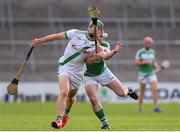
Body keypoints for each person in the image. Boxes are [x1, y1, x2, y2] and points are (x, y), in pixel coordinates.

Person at [31, 20, 122, 129]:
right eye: (92, 26)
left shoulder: (96, 46)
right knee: (64, 91)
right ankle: (59, 120)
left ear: (99, 32)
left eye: (96, 28)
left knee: (71, 96)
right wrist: (39, 41)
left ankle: (66, 114)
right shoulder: (75, 33)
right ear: (89, 27)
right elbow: (57, 36)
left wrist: (113, 52)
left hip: (78, 72)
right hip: (65, 66)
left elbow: (105, 56)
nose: (93, 28)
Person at [62, 20, 138, 130]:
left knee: (121, 93)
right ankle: (105, 123)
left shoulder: (104, 44)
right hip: (89, 75)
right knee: (93, 99)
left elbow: (106, 55)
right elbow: (87, 61)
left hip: (103, 72)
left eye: (100, 33)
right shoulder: (85, 45)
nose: (99, 37)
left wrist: (113, 51)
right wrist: (96, 55)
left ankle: (128, 90)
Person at [134, 36, 162, 112]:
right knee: (142, 92)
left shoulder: (152, 52)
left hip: (151, 74)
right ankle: (140, 107)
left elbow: (153, 63)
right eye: (147, 42)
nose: (148, 44)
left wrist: (157, 67)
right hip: (142, 74)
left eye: (150, 43)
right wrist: (145, 62)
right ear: (144, 43)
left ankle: (155, 107)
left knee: (155, 89)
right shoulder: (140, 52)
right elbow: (136, 62)